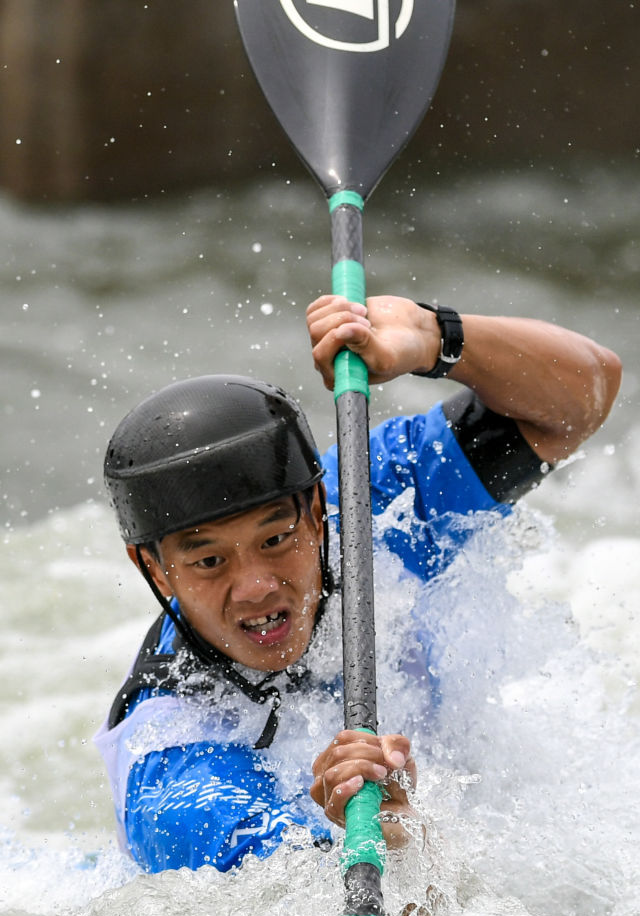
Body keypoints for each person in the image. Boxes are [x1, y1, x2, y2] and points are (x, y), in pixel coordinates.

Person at [95, 294, 621, 873]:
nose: (255, 587)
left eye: (275, 540)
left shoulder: (375, 512)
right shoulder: (180, 780)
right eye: (209, 562)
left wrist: (435, 337)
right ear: (152, 568)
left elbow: (581, 398)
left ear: (319, 509)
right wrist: (396, 846)